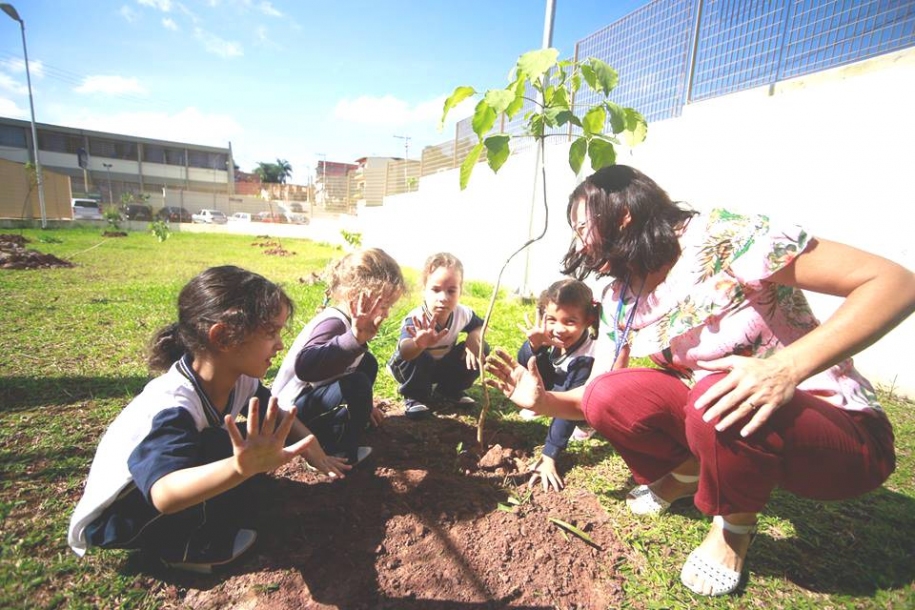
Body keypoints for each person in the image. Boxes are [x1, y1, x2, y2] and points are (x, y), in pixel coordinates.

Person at [486, 165, 914, 596]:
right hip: (724, 412)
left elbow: (896, 284)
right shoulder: (624, 295)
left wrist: (786, 367)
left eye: (583, 228)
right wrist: (544, 401)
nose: (580, 243)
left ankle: (733, 528)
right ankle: (688, 472)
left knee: (717, 389)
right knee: (609, 393)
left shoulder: (725, 238)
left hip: (842, 437)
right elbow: (593, 394)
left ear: (623, 215)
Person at [68, 266, 349, 573]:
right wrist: (240, 467)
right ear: (223, 336)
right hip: (121, 516)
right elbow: (164, 494)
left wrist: (313, 449)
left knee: (234, 441)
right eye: (271, 333)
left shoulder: (240, 378)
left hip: (156, 488)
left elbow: (278, 414)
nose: (280, 344)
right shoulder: (173, 406)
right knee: (219, 447)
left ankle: (215, 507)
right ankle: (185, 547)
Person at [273, 248, 406, 464]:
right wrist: (353, 338)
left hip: (311, 403)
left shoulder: (346, 322)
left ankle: (351, 420)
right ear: (357, 296)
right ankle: (335, 450)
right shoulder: (333, 323)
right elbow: (306, 367)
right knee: (356, 384)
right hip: (290, 416)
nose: (387, 313)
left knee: (367, 362)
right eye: (383, 305)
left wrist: (365, 406)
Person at [517, 278, 599, 492]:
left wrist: (549, 454)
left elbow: (572, 402)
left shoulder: (586, 358)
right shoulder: (551, 338)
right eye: (552, 319)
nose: (559, 329)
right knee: (536, 365)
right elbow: (525, 364)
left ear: (588, 320)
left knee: (577, 404)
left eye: (570, 321)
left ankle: (585, 425)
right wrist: (534, 346)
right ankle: (544, 405)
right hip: (561, 387)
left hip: (581, 403)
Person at [388, 252, 488, 419]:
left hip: (441, 365)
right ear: (424, 290)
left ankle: (449, 389)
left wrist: (473, 337)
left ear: (460, 291)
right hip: (411, 368)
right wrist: (418, 344)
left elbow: (481, 325)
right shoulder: (417, 318)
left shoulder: (462, 314)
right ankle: (414, 396)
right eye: (435, 290)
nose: (443, 298)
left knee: (482, 347)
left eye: (451, 291)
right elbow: (405, 352)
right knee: (420, 356)